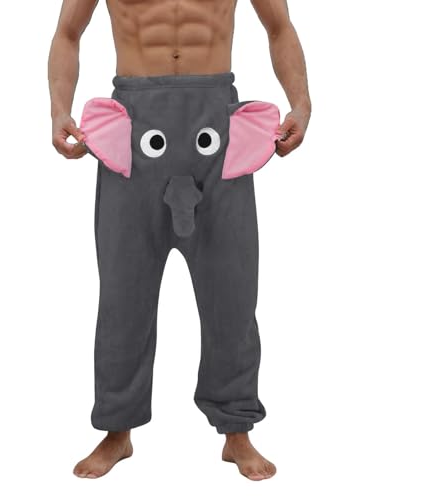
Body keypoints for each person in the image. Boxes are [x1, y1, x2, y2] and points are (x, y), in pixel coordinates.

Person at [48, 0, 311, 482]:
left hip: (216, 131)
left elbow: (279, 26)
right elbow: (68, 32)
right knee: (124, 297)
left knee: (232, 293)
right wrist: (59, 109)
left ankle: (236, 428)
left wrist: (301, 101)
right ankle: (117, 429)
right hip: (133, 131)